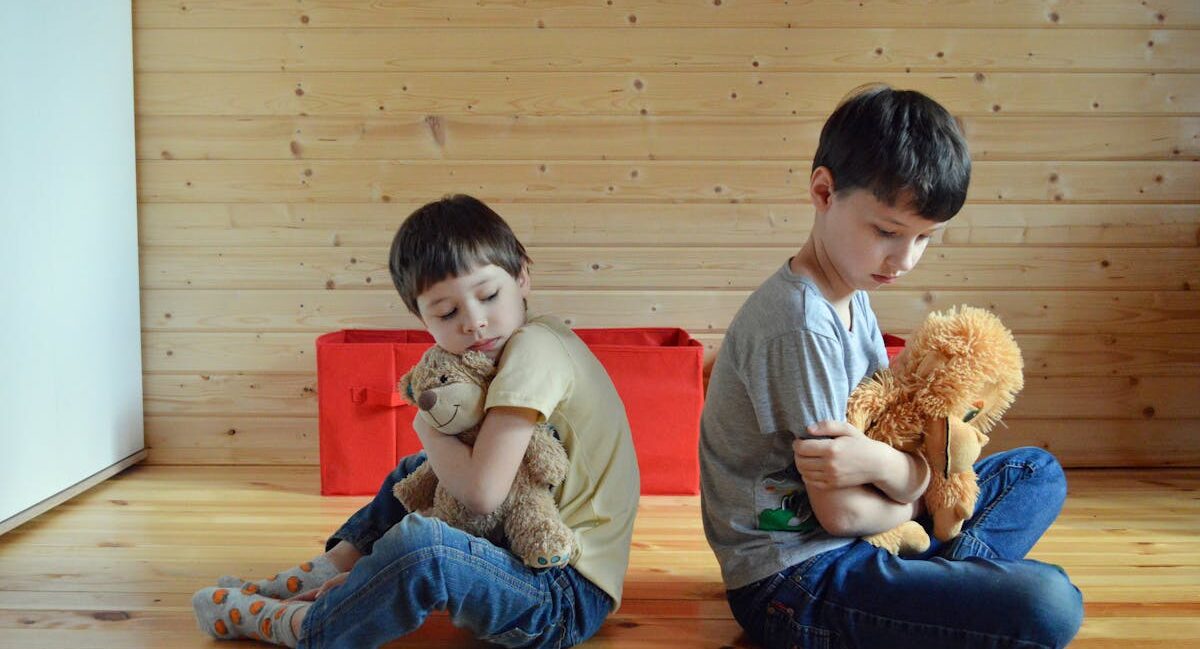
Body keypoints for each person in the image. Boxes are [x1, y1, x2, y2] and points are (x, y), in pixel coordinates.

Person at [699, 84, 1084, 648]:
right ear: (824, 191)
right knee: (1050, 604)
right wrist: (914, 484)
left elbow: (893, 447)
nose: (904, 260)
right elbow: (841, 515)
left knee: (1036, 473)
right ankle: (936, 587)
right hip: (797, 577)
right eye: (886, 232)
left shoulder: (851, 289)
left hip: (874, 522)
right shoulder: (799, 328)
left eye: (925, 237)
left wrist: (900, 469)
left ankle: (928, 587)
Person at [192, 194, 640, 648]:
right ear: (421, 317)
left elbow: (484, 495)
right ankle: (325, 574)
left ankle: (303, 624)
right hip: (532, 558)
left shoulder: (535, 349)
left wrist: (425, 426)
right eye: (447, 313)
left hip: (562, 593)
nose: (475, 323)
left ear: (522, 275)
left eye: (488, 295)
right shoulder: (505, 352)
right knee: (419, 473)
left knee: (426, 547)